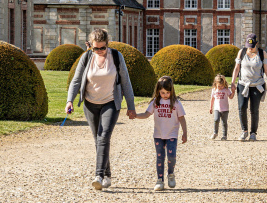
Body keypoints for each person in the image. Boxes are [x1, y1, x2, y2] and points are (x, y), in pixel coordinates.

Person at [66, 28, 136, 191]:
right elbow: (76, 81)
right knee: (98, 140)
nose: (99, 51)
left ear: (107, 44)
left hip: (110, 102)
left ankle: (98, 175)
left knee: (103, 136)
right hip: (90, 103)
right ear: (90, 46)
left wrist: (131, 107)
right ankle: (107, 174)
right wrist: (70, 101)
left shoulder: (117, 57)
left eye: (102, 48)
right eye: (95, 48)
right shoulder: (86, 57)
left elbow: (126, 82)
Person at [135, 76, 188, 191]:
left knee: (171, 156)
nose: (165, 95)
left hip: (172, 135)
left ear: (171, 91)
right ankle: (160, 180)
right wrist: (136, 115)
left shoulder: (176, 103)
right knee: (160, 157)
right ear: (158, 90)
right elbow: (146, 114)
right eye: (163, 92)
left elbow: (182, 118)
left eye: (167, 92)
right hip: (158, 135)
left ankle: (171, 174)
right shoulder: (155, 102)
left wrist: (185, 133)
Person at [230, 33, 267, 141]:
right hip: (243, 84)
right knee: (242, 107)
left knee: (254, 109)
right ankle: (244, 131)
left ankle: (253, 133)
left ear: (256, 44)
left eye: (252, 46)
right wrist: (232, 83)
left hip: (257, 85)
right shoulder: (242, 52)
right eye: (248, 46)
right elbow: (236, 68)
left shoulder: (262, 53)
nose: (250, 49)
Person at [209, 74, 234, 140]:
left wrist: (233, 92)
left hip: (225, 109)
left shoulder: (226, 89)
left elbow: (231, 97)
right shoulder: (214, 90)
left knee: (224, 122)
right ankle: (215, 133)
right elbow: (212, 99)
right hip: (217, 108)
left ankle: (224, 135)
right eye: (219, 86)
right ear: (215, 84)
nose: (221, 87)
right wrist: (211, 107)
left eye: (222, 86)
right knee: (216, 120)